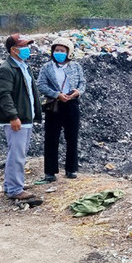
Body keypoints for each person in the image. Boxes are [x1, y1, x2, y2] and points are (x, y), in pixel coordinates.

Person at [0, 33, 42, 201]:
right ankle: (15, 189)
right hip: (16, 119)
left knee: (17, 153)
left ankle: (11, 184)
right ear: (13, 50)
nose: (27, 49)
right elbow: (4, 95)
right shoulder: (6, 69)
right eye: (23, 46)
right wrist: (13, 116)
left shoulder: (23, 66)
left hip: (25, 117)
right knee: (17, 154)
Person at [36, 36, 86, 183]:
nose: (59, 53)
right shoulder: (47, 67)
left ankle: (71, 169)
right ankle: (50, 172)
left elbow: (82, 82)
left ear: (69, 52)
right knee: (51, 138)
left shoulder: (76, 66)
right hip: (54, 105)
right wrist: (56, 94)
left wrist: (78, 92)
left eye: (62, 50)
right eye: (56, 50)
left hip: (71, 104)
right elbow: (41, 85)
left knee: (72, 137)